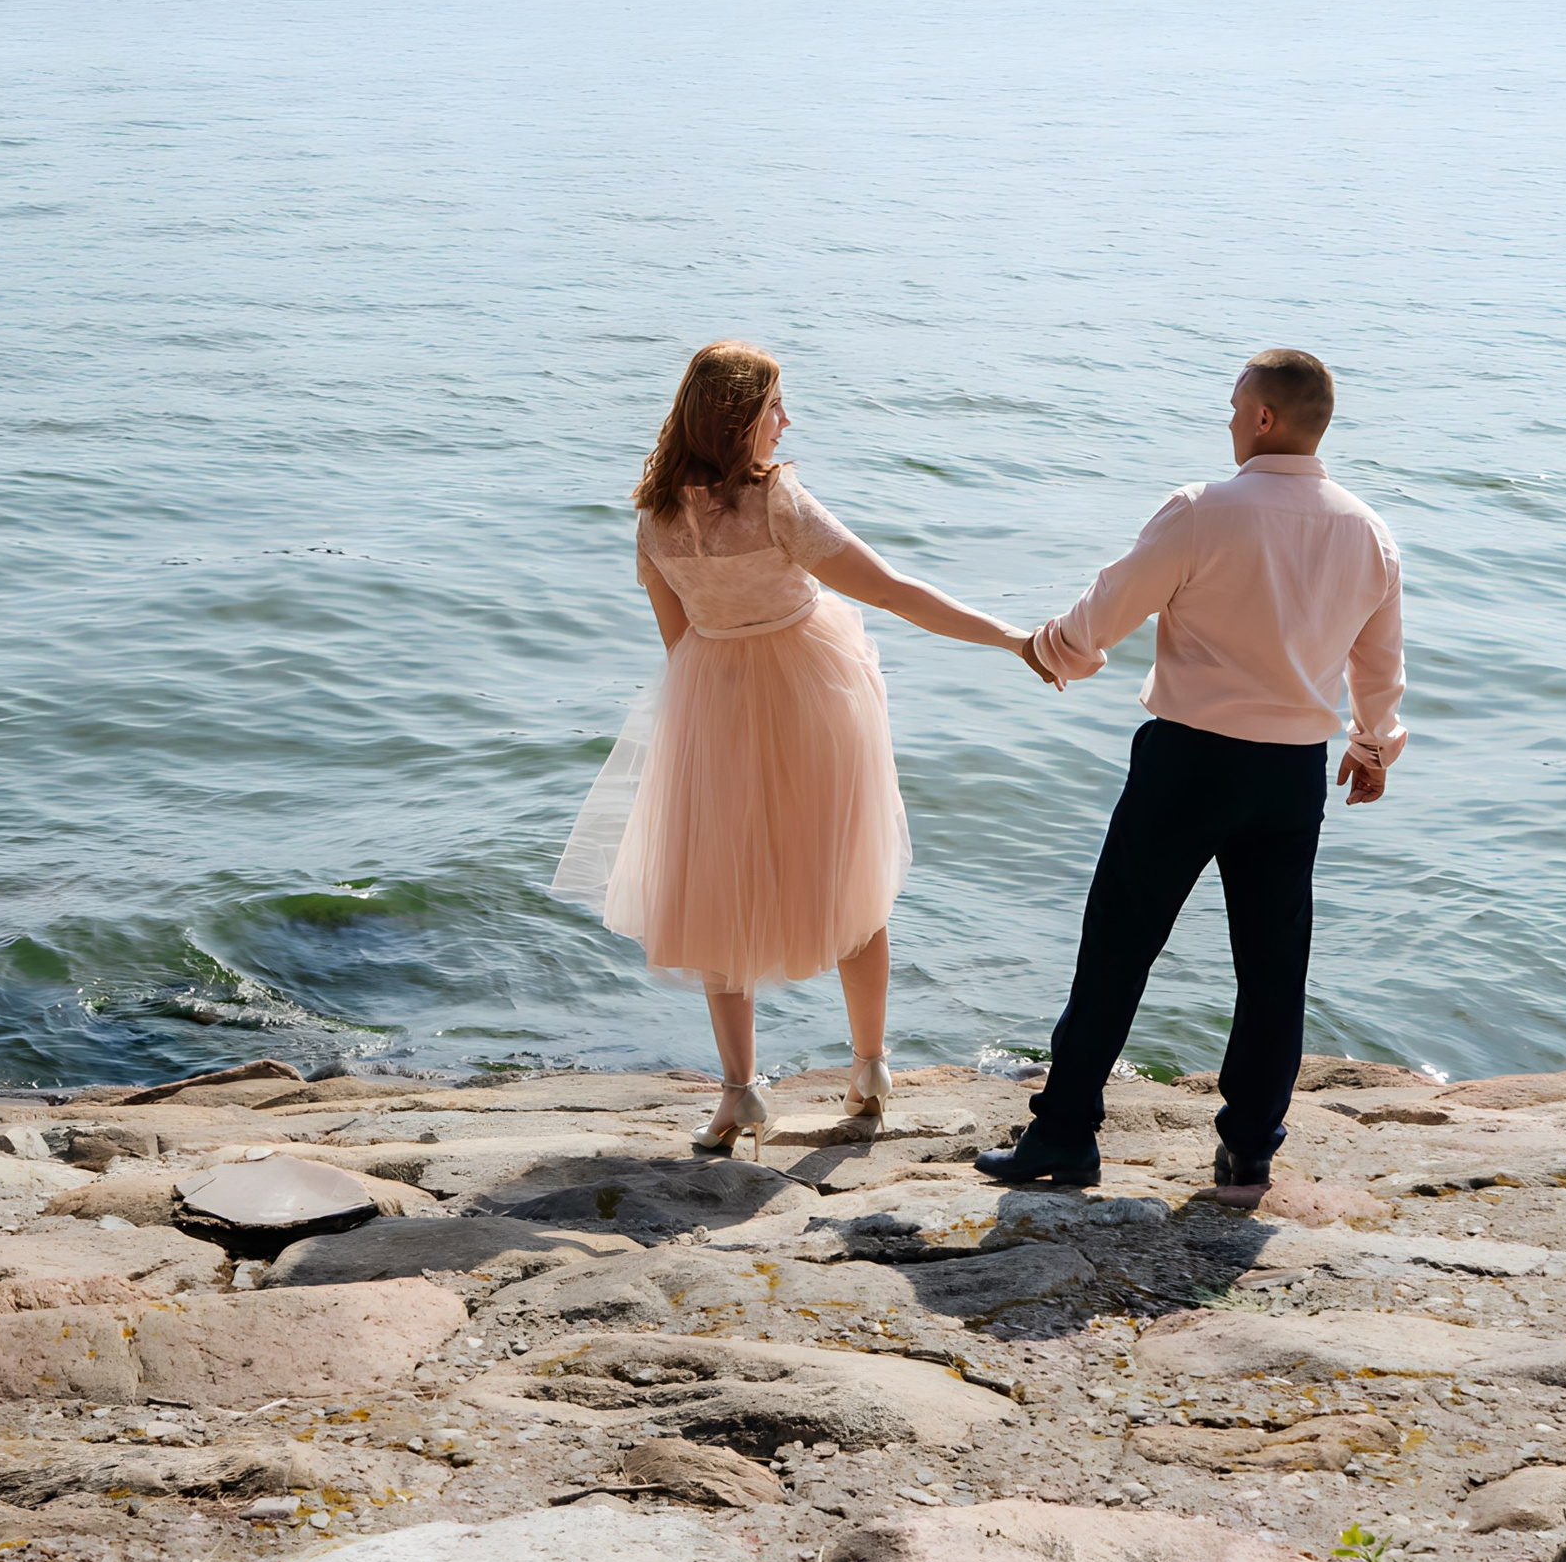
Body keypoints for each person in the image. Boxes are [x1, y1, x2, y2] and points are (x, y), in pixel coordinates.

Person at [554, 340, 1048, 1155]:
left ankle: (740, 1091)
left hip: (712, 699)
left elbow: (680, 645)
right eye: (776, 406)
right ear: (739, 419)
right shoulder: (778, 502)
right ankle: (870, 1067)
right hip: (814, 693)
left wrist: (714, 719)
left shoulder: (653, 517)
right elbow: (891, 589)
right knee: (850, 876)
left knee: (716, 890)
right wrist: (1012, 638)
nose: (788, 421)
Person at [977, 345, 1403, 1204]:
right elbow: (1378, 666)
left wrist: (1053, 650)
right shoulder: (1367, 530)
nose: (1229, 416)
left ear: (1265, 418)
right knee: (1274, 966)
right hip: (1292, 775)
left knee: (1119, 947)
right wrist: (1370, 748)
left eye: (1236, 402)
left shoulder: (1203, 508)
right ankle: (1248, 1152)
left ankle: (1065, 1134)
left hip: (1192, 760)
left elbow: (1108, 609)